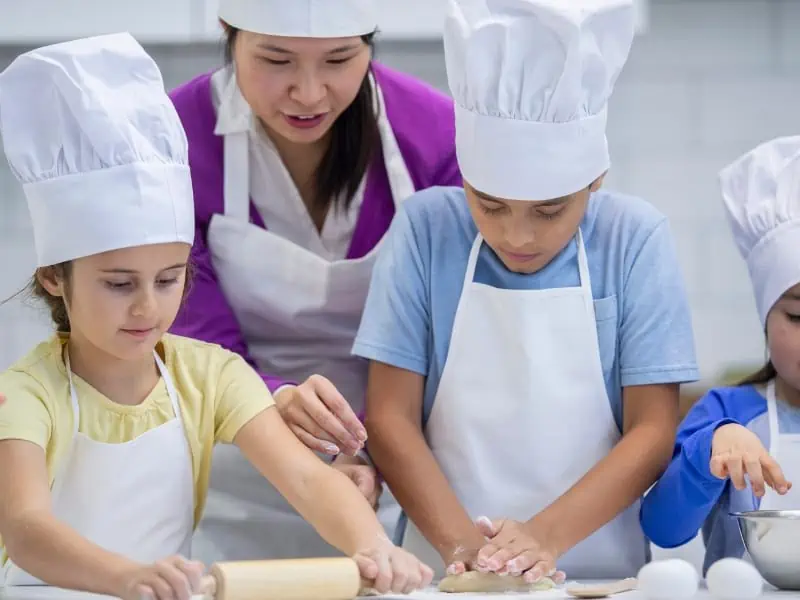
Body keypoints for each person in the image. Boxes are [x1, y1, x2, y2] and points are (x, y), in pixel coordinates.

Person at [0, 33, 433, 600]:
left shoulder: (209, 376)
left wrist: (370, 543)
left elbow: (306, 477)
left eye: (169, 278)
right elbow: (26, 527)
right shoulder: (27, 394)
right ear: (54, 278)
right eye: (118, 283)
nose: (147, 307)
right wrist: (126, 577)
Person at [353, 0, 701, 583]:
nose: (517, 235)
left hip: (596, 578)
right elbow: (389, 418)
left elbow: (652, 430)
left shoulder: (633, 239)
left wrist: (543, 539)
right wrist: (469, 553)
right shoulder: (424, 230)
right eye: (489, 204)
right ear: (463, 174)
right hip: (445, 573)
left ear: (595, 177)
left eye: (549, 210)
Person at [168, 0, 460, 562]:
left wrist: (373, 447)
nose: (308, 93)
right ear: (229, 31)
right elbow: (192, 340)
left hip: (402, 467)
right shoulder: (173, 137)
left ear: (370, 44)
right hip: (236, 463)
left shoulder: (436, 134)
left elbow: (448, 334)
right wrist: (276, 402)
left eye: (339, 60)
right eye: (277, 60)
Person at [640, 135, 800, 575]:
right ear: (765, 317)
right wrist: (707, 452)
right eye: (799, 316)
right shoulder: (728, 411)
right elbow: (663, 528)